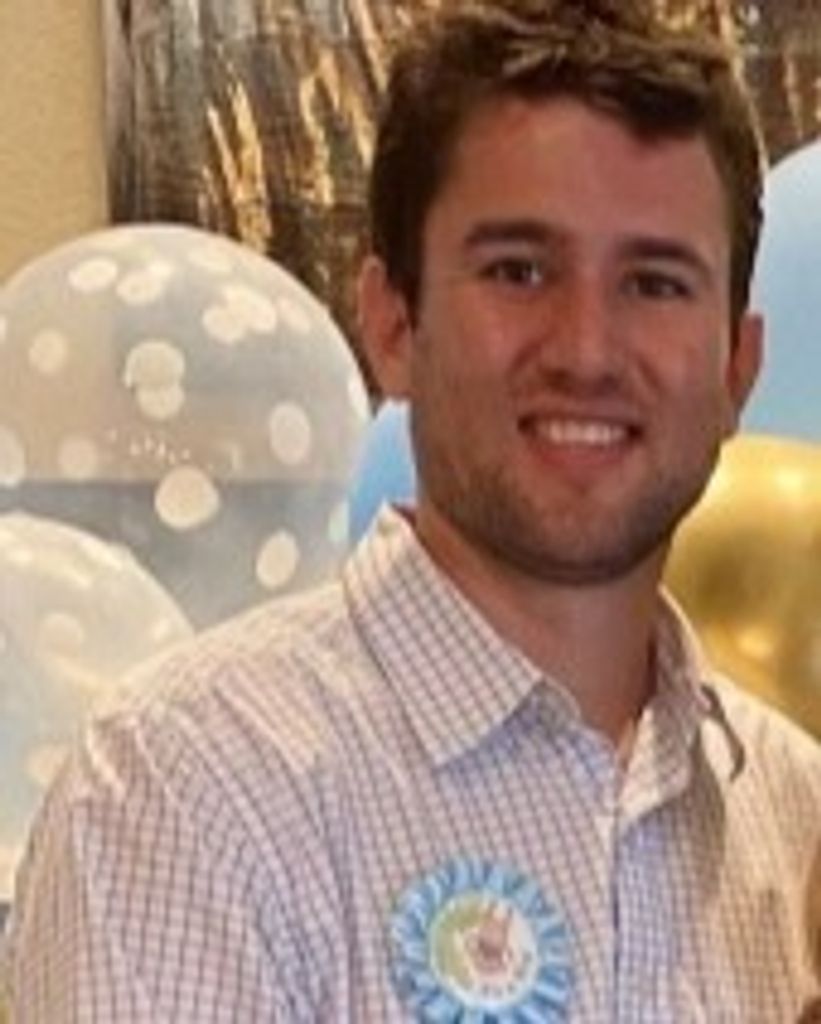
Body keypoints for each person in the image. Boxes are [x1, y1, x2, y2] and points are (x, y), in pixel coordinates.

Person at [4, 0, 821, 1019]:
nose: (585, 349)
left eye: (654, 283)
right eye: (518, 270)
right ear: (390, 324)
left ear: (736, 368)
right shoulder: (185, 786)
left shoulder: (792, 811)